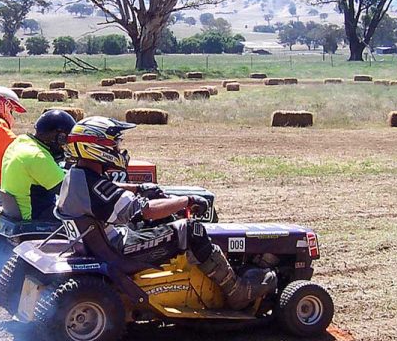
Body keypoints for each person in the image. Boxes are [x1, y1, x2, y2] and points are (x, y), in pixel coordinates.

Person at [57, 116, 276, 310]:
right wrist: (185, 201)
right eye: (114, 144)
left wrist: (139, 188)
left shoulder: (78, 176)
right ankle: (236, 291)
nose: (118, 149)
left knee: (167, 219)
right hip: (119, 252)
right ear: (96, 147)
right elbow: (146, 211)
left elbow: (109, 192)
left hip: (101, 243)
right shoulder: (95, 186)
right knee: (191, 229)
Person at [0, 109, 77, 221]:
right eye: (65, 140)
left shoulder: (20, 142)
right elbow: (67, 193)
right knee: (85, 216)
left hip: (16, 210)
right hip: (34, 214)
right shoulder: (37, 156)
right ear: (58, 137)